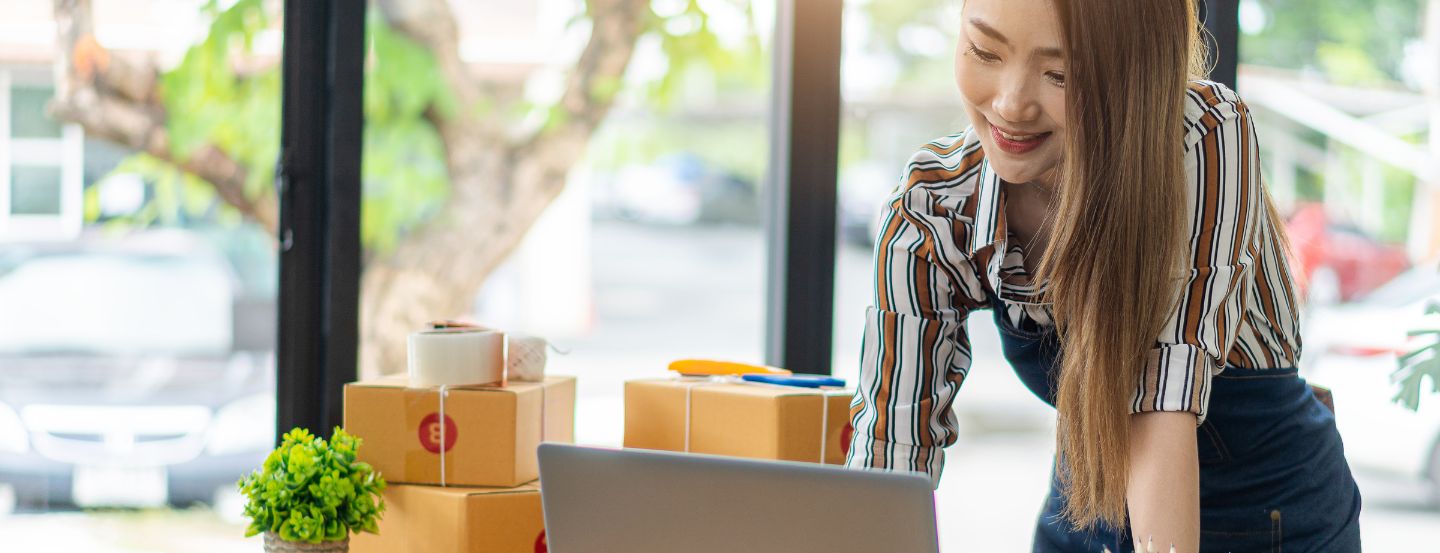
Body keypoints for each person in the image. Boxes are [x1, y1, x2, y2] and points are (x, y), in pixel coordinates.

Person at [841, 1, 1362, 551]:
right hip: (1089, 502)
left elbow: (1160, 402)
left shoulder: (1204, 135)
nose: (1011, 104)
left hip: (1266, 507)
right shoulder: (934, 209)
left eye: (1060, 74)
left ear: (1136, 70)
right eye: (984, 51)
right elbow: (891, 452)